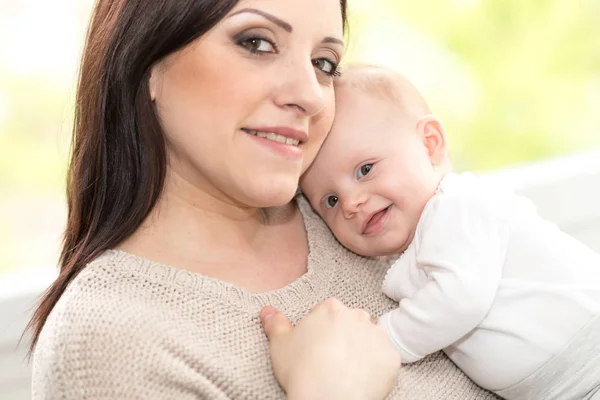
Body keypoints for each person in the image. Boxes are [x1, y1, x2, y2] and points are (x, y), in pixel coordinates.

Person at [27, 0, 498, 398]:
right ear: (146, 61)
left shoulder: (361, 214)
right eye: (256, 42)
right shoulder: (106, 345)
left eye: (324, 64)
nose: (310, 96)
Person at [300, 65, 600, 400]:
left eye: (365, 169)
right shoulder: (406, 254)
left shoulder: (457, 205)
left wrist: (385, 338)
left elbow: (461, 297)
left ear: (430, 144)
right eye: (330, 200)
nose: (351, 203)